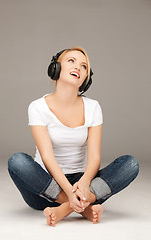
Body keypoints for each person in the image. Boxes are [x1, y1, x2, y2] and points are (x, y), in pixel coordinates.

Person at [8, 46, 139, 227]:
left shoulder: (93, 107)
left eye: (84, 66)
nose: (78, 67)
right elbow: (47, 156)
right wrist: (69, 192)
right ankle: (83, 207)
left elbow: (94, 157)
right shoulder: (37, 107)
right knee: (17, 162)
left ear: (86, 78)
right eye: (71, 61)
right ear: (56, 68)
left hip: (84, 186)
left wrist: (84, 184)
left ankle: (65, 208)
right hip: (44, 188)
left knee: (130, 164)